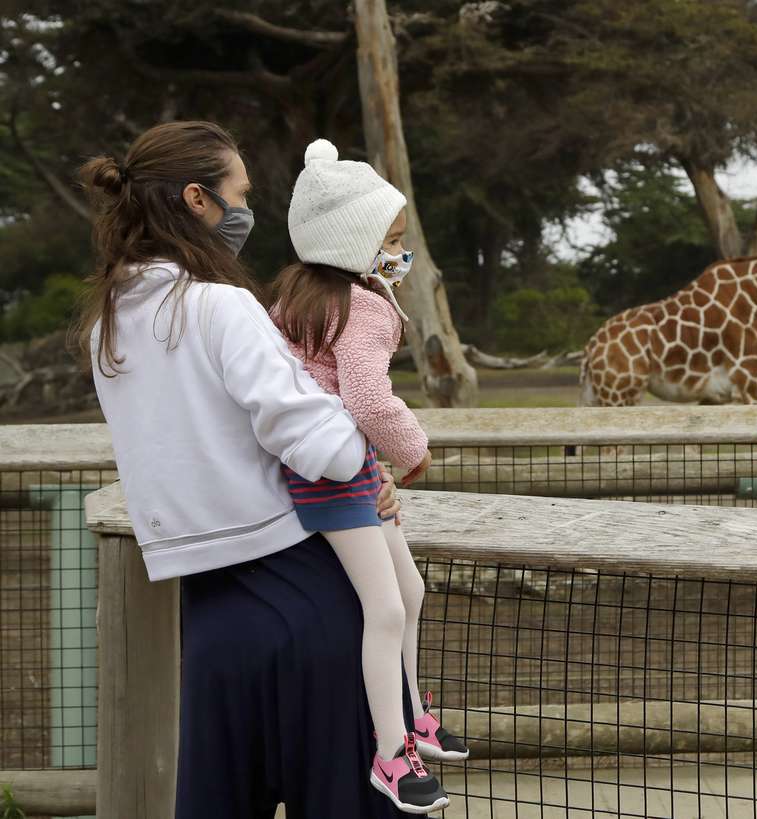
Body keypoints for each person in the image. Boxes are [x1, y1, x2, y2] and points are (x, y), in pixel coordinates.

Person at [78, 120, 428, 818]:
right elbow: (318, 442)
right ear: (197, 200)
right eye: (239, 193)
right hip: (305, 597)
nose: (248, 211)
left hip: (209, 616)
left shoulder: (108, 326)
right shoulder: (222, 306)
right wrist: (370, 459)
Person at [269, 138, 468, 814]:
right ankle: (392, 753)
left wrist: (373, 461)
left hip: (325, 469)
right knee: (385, 607)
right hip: (336, 478)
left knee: (408, 589)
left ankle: (414, 713)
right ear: (356, 243)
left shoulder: (294, 300)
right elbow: (366, 397)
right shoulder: (369, 307)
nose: (400, 255)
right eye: (394, 241)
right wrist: (413, 451)